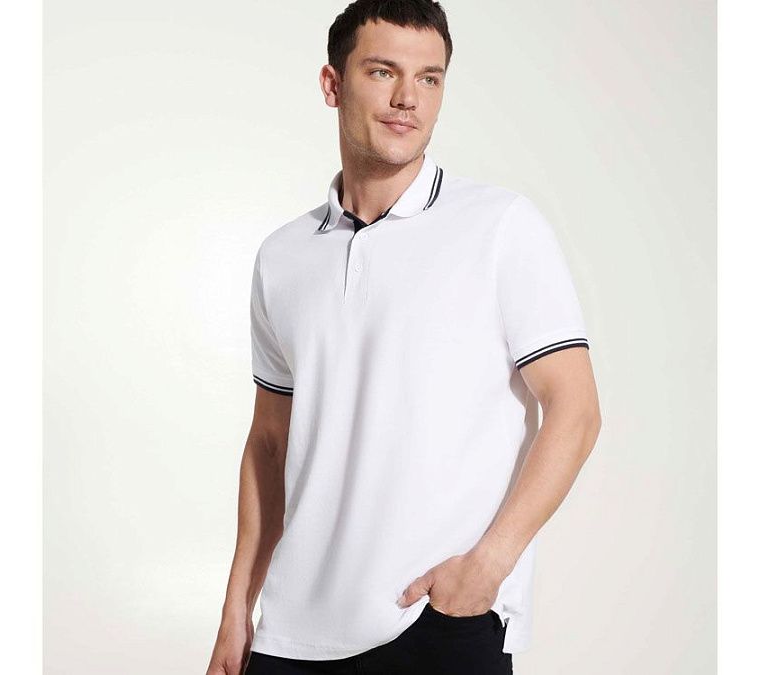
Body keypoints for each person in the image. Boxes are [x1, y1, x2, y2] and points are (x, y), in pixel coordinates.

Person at [206, 1, 602, 673]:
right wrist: (236, 609)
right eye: (383, 71)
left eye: (429, 78)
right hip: (292, 635)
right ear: (333, 84)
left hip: (436, 619)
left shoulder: (500, 226)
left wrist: (489, 566)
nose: (407, 99)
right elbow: (269, 442)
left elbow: (576, 408)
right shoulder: (283, 256)